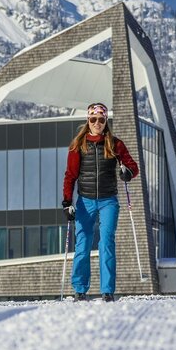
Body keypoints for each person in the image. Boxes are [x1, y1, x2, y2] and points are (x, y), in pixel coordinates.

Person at [62, 102, 139, 302]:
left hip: (108, 201)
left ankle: (107, 290)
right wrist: (67, 202)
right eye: (93, 119)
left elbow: (132, 166)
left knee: (106, 242)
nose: (97, 123)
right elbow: (70, 176)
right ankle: (80, 288)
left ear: (106, 122)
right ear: (88, 121)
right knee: (83, 244)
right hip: (85, 201)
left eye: (101, 120)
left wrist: (127, 172)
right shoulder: (78, 145)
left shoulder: (115, 144)